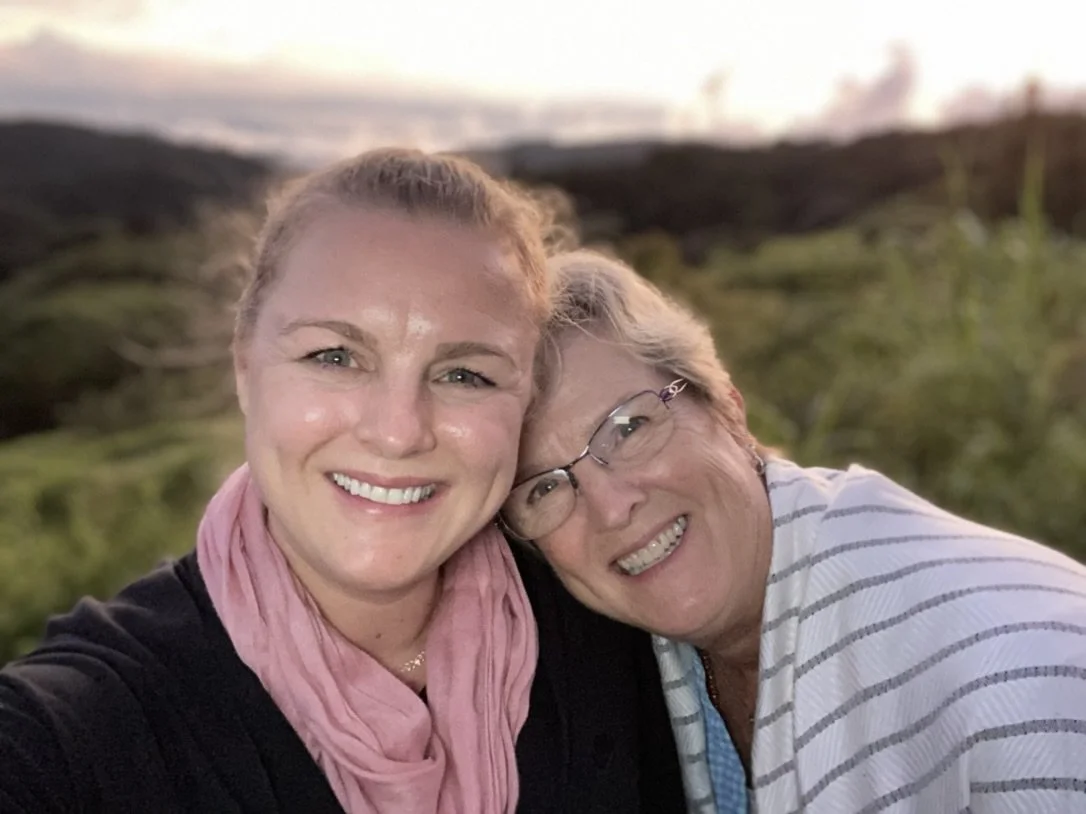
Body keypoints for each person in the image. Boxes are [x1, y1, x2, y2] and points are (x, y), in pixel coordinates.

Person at [0, 152, 686, 813]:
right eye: (334, 356)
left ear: (524, 401)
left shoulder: (618, 632)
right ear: (246, 369)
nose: (397, 431)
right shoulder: (80, 730)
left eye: (464, 374)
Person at [502, 248, 1086, 814]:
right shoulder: (611, 675)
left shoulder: (1018, 674)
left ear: (727, 408)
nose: (611, 508)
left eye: (629, 427)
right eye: (543, 488)